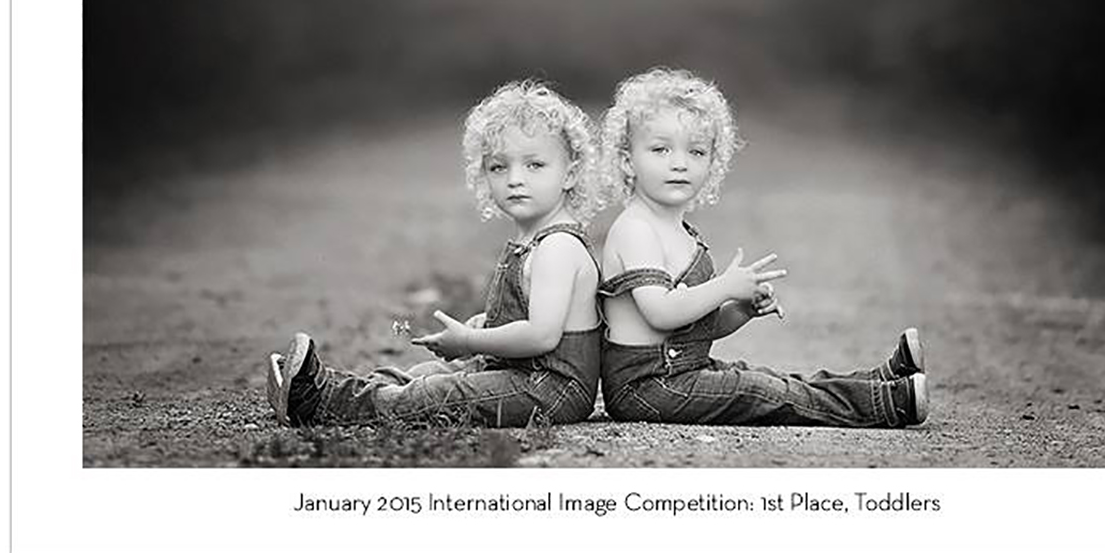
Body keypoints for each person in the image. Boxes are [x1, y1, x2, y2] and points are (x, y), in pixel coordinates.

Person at [596, 67, 929, 428]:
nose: (680, 163)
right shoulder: (636, 229)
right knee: (761, 394)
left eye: (696, 152)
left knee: (771, 381)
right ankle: (887, 403)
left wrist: (740, 310)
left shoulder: (679, 231)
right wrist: (724, 286)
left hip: (679, 374)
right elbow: (660, 313)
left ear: (712, 163)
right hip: (646, 389)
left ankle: (879, 380)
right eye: (661, 149)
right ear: (628, 161)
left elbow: (693, 328)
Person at [267, 80, 603, 428]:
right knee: (426, 372)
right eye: (499, 167)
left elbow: (542, 336)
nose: (514, 179)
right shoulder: (531, 238)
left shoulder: (558, 247)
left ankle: (324, 403)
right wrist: (488, 324)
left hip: (551, 389)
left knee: (440, 393)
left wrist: (472, 341)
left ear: (571, 173)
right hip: (520, 371)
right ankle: (334, 387)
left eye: (534, 165)